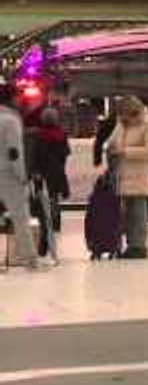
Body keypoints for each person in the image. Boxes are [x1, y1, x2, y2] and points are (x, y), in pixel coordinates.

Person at [105, 97, 148, 259]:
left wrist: (124, 152)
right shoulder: (122, 125)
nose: (122, 118)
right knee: (122, 213)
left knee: (137, 212)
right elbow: (112, 142)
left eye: (125, 115)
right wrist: (109, 148)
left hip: (139, 175)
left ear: (135, 112)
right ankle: (124, 244)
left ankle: (138, 246)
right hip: (121, 174)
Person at [0, 80, 45, 270]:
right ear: (11, 98)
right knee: (20, 217)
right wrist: (21, 175)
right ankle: (30, 259)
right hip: (8, 174)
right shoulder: (10, 120)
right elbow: (14, 151)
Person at [28, 107, 70, 238]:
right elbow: (66, 152)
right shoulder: (61, 134)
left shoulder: (39, 135)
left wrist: (34, 170)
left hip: (42, 171)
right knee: (55, 198)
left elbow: (35, 154)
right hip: (57, 171)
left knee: (42, 197)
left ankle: (45, 221)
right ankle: (56, 222)